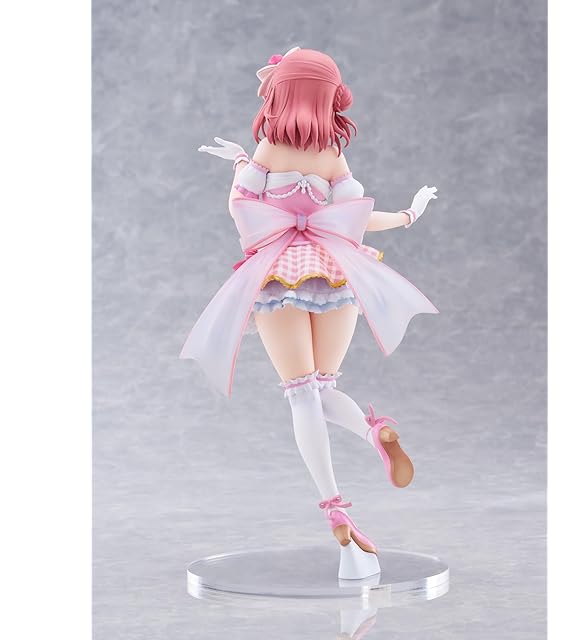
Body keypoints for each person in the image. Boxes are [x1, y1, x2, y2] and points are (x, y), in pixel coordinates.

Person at [181, 47, 439, 578]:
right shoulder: (332, 157)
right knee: (322, 388)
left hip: (279, 273)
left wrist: (240, 162)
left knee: (302, 395)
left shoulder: (269, 148)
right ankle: (373, 432)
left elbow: (239, 205)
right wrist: (410, 214)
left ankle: (336, 509)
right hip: (336, 271)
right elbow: (359, 217)